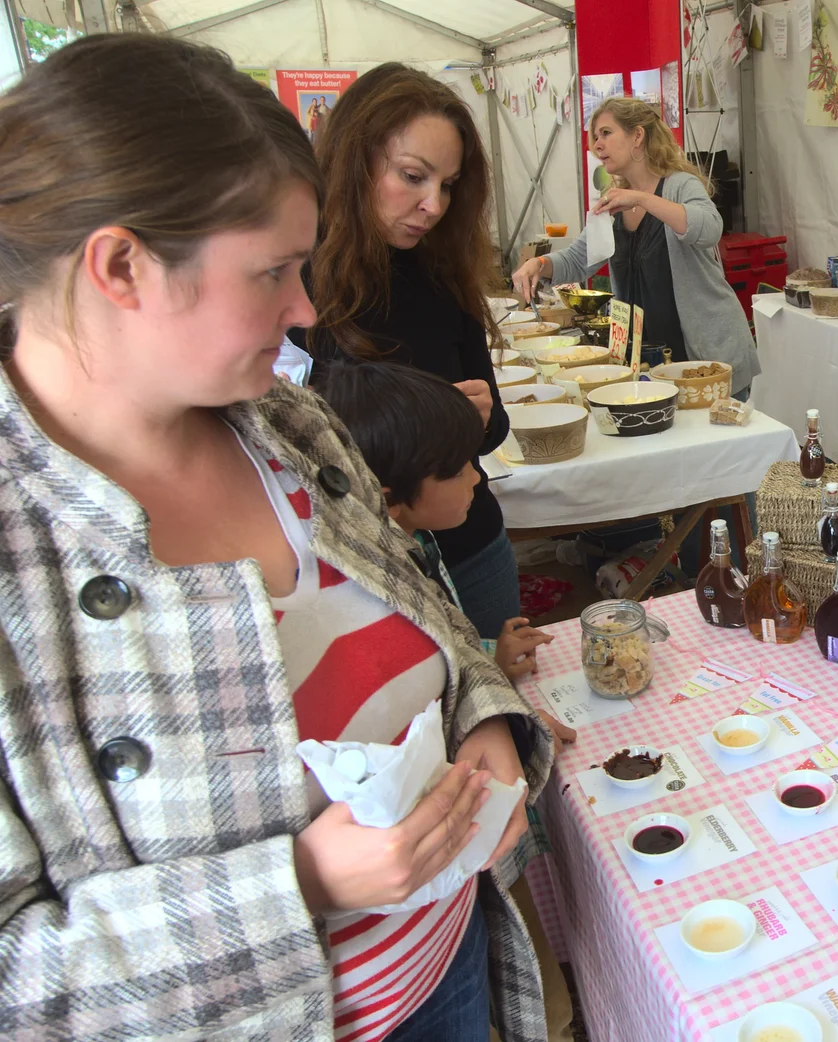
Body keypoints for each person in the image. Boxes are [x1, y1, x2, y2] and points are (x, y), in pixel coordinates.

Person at [0, 35, 554, 1042]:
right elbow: (17, 977)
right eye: (272, 273)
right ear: (121, 265)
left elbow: (435, 611)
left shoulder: (289, 428)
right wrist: (298, 881)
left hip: (444, 966)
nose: (304, 310)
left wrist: (485, 725)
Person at [317, 359, 580, 1042]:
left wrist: (488, 662)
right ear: (387, 493)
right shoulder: (381, 578)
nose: (476, 477)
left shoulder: (420, 546)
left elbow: (447, 648)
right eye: (460, 465)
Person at [291, 63, 518, 639]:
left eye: (448, 185)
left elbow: (492, 430)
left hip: (471, 546)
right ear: (354, 159)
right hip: (366, 568)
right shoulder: (294, 279)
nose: (434, 205)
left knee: (509, 704)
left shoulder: (441, 272)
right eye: (413, 176)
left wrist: (474, 418)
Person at [512, 96, 760, 398]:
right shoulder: (614, 200)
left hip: (705, 361)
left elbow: (709, 228)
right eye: (595, 137)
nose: (596, 145)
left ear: (637, 136)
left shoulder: (680, 185)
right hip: (647, 363)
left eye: (606, 133)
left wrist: (642, 199)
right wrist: (538, 264)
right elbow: (579, 259)